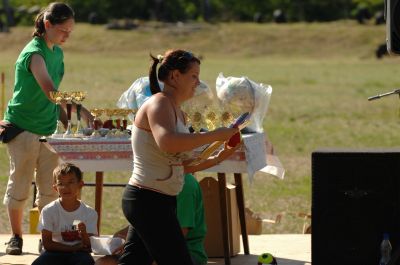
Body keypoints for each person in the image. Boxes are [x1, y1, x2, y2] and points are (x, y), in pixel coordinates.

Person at [118, 49, 241, 265]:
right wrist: (214, 134)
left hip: (156, 200)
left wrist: (218, 156)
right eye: (193, 76)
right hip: (147, 200)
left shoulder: (176, 110)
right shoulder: (160, 103)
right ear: (175, 76)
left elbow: (179, 165)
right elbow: (167, 142)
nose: (198, 82)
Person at [2, 2, 94, 255]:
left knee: (49, 188)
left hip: (48, 130)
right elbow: (51, 91)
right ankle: (16, 238)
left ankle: (46, 237)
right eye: (63, 30)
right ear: (47, 24)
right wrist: (80, 109)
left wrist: (66, 121)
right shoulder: (35, 52)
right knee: (19, 185)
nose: (67, 35)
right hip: (21, 128)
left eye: (70, 31)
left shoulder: (58, 54)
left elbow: (53, 99)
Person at [95, 173, 207, 265]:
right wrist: (123, 235)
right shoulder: (156, 180)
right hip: (153, 245)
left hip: (185, 252)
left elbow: (178, 235)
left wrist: (132, 246)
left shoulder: (185, 185)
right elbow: (150, 220)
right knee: (103, 262)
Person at [32, 163, 98, 265]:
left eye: (71, 182)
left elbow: (89, 246)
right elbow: (47, 243)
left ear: (80, 184)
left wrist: (84, 234)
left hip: (79, 254)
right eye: (61, 183)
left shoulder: (90, 213)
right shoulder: (48, 210)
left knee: (87, 262)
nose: (65, 187)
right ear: (55, 188)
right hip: (53, 253)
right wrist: (71, 248)